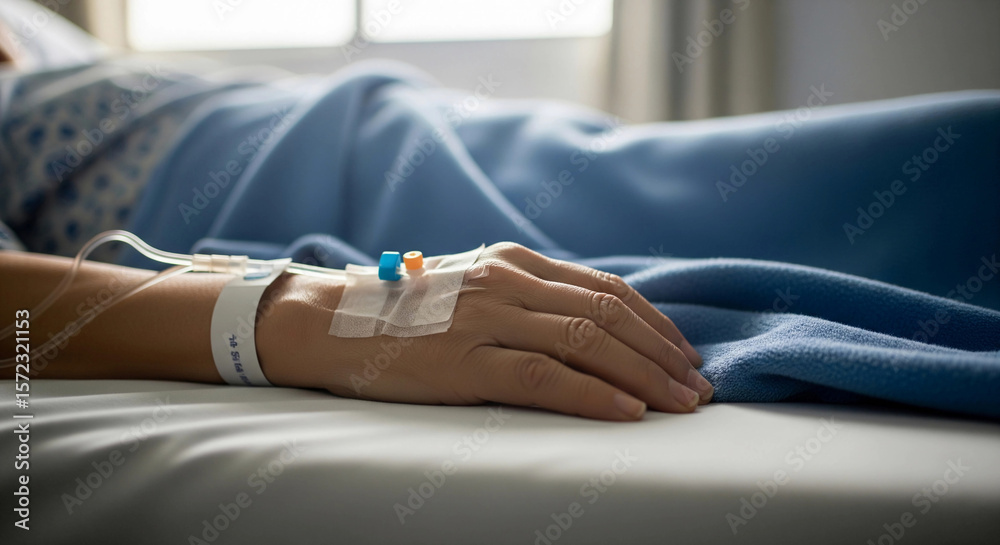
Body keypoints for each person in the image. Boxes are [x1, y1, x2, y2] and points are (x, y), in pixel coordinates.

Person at [0, 1, 709, 422]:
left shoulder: (40, 40)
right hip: (271, 188)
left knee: (661, 171)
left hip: (376, 126)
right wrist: (315, 309)